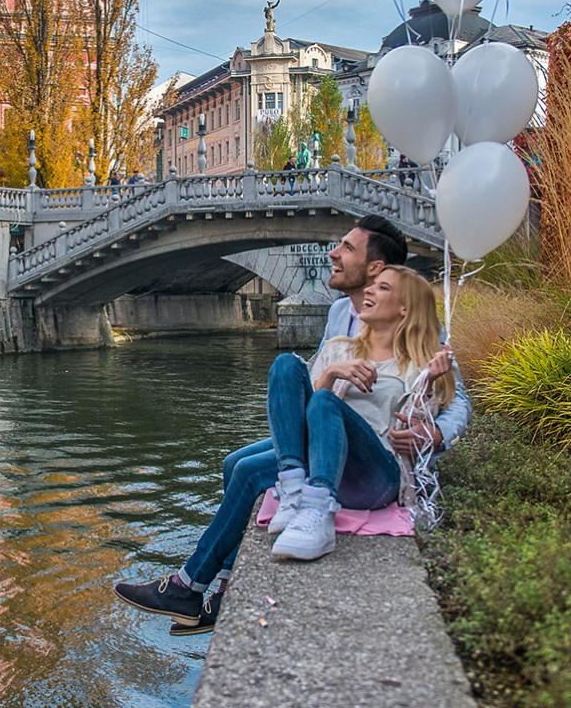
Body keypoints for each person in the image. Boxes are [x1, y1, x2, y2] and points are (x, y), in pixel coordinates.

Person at [113, 214, 471, 634]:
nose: (333, 254)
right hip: (325, 428)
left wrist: (436, 433)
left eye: (347, 248)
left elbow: (456, 399)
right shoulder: (341, 317)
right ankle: (224, 582)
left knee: (247, 470)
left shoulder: (421, 330)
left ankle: (194, 587)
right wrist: (332, 375)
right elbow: (315, 383)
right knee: (237, 460)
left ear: (377, 269)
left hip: (367, 452)